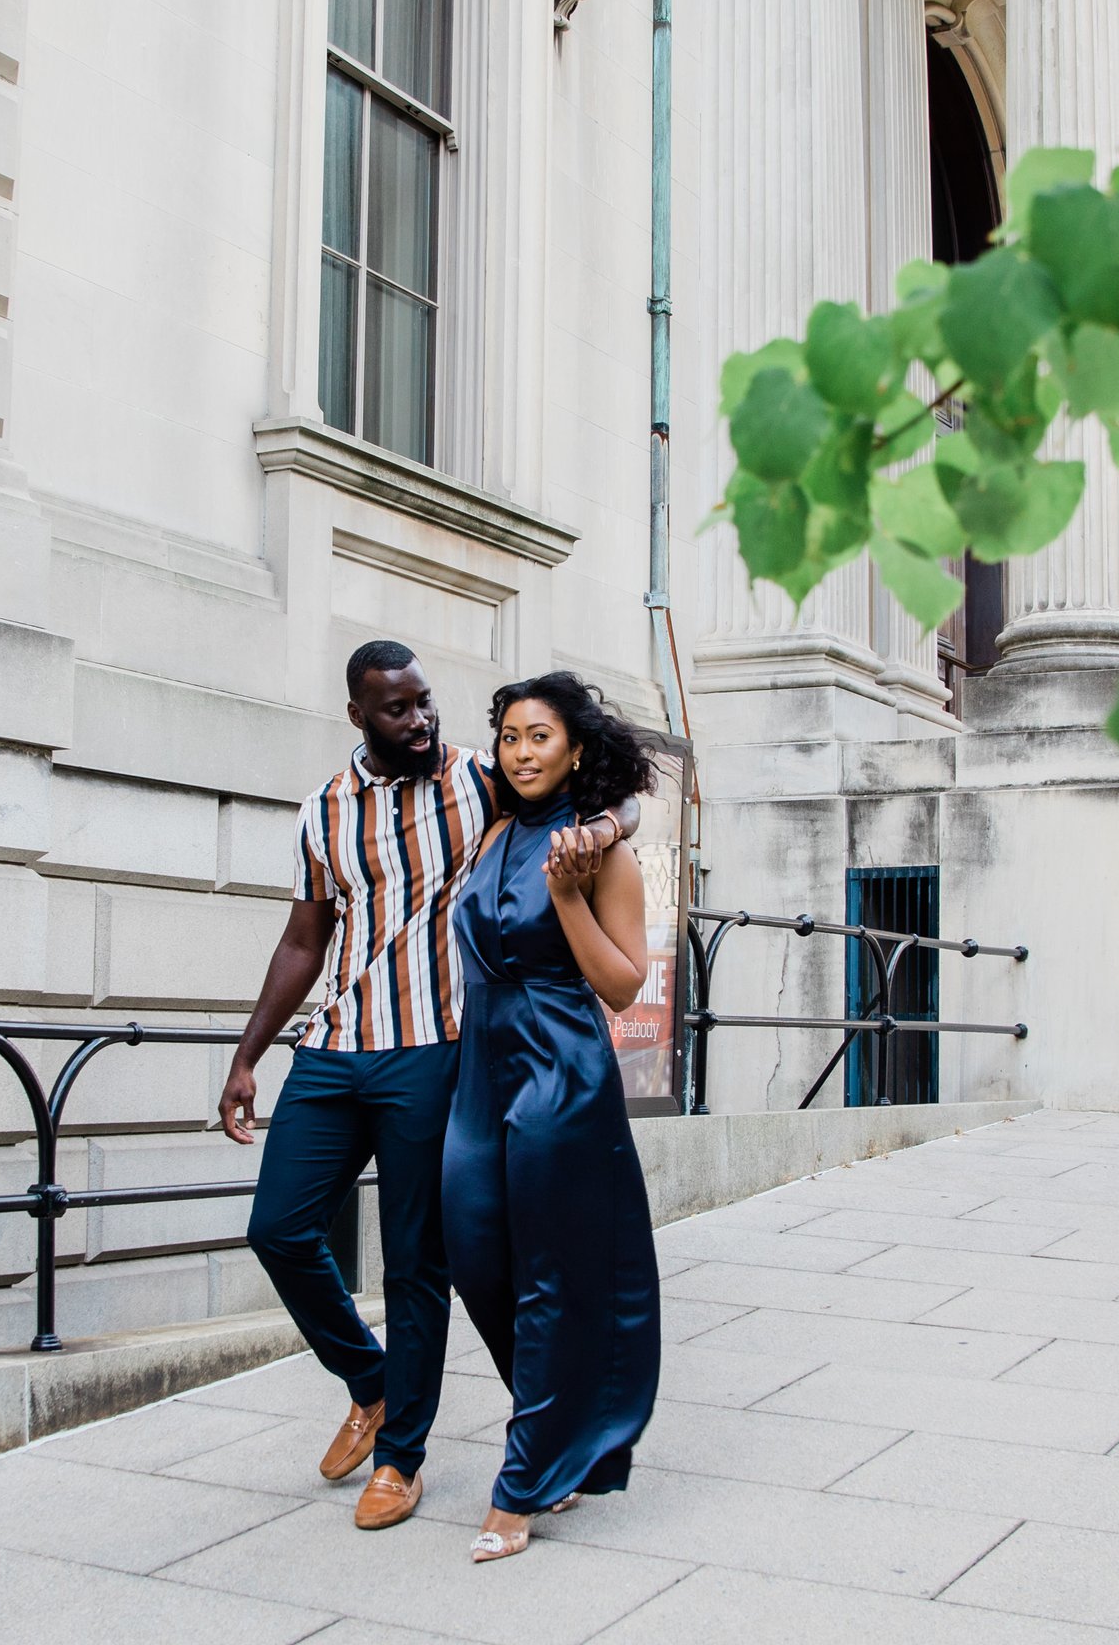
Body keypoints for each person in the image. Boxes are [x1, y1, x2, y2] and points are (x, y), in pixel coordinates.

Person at [218, 642, 637, 1533]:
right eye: (398, 710)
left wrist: (598, 834)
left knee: (416, 1262)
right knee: (279, 1229)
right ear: (359, 716)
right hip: (335, 1046)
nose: (420, 721)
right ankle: (370, 1384)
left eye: (426, 703)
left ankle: (401, 1458)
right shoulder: (324, 809)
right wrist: (248, 1054)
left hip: (434, 1050)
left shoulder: (479, 780)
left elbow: (603, 792)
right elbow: (303, 941)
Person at [443, 671, 662, 1564]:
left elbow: (621, 985)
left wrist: (569, 891)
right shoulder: (494, 826)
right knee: (473, 1253)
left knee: (547, 1277)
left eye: (541, 736)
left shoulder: (601, 853)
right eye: (510, 737)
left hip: (560, 1066)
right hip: (478, 1070)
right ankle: (566, 1421)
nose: (523, 751)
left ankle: (524, 1479)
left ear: (575, 749)